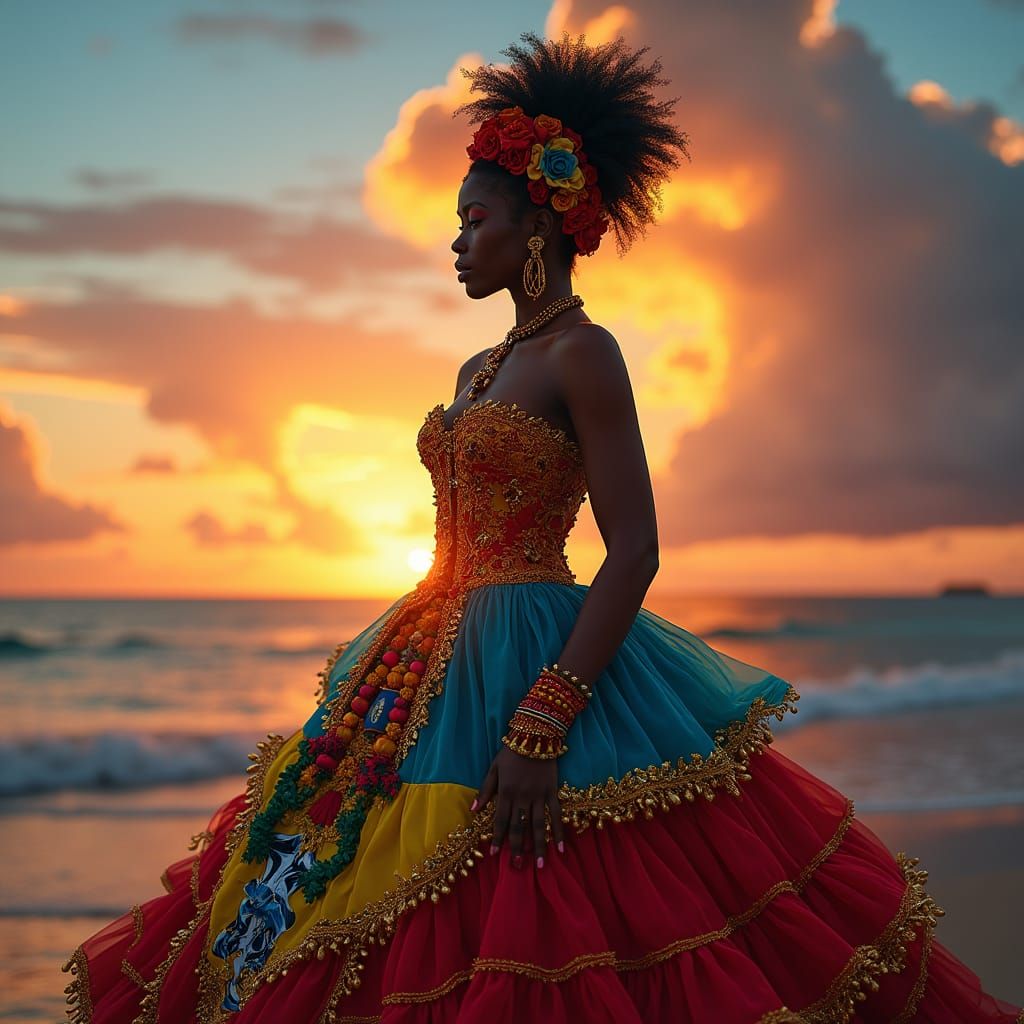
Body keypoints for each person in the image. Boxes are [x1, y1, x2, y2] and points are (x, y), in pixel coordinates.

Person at [62, 31, 1022, 1024]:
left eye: (474, 220)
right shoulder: (474, 368)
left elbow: (636, 548)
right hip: (422, 657)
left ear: (535, 229)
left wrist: (547, 712)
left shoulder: (584, 355)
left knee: (545, 919)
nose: (456, 242)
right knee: (334, 896)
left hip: (530, 660)